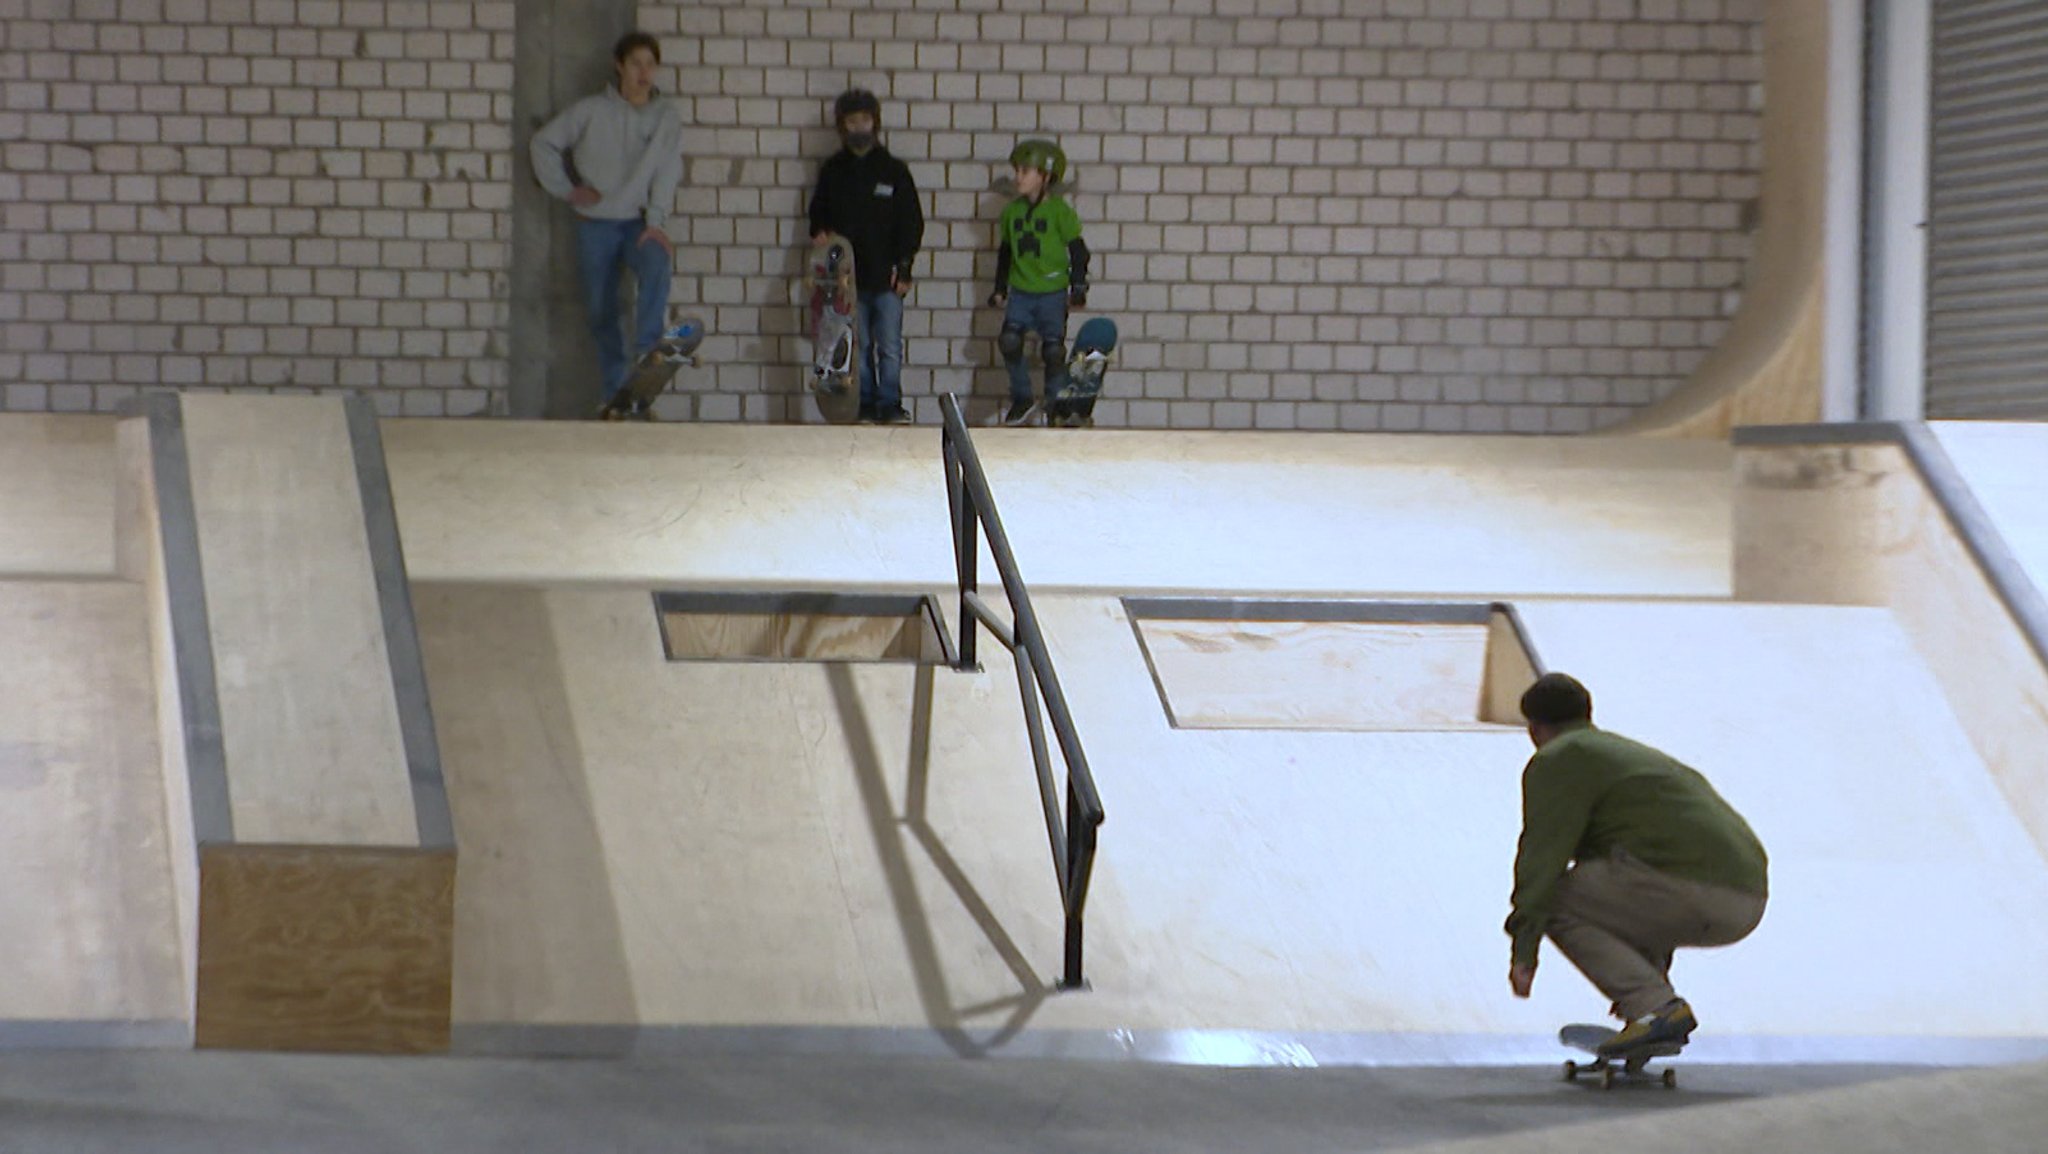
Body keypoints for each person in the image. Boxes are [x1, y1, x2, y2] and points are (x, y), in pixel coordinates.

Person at [1505, 672, 1769, 1056]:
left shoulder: (1560, 758)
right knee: (1603, 884)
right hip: (1745, 899)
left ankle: (1655, 1009)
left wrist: (1524, 951)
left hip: (1684, 888)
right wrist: (1650, 974)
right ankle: (1651, 1013)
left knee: (1555, 897)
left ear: (1534, 727)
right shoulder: (1625, 755)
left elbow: (1541, 857)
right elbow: (1651, 880)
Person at [529, 31, 685, 415]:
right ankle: (619, 394)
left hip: (638, 222)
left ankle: (649, 358)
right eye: (636, 63)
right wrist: (568, 190)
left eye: (650, 64)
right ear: (619, 66)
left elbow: (667, 170)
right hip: (595, 225)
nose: (643, 72)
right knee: (601, 311)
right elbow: (543, 144)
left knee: (657, 262)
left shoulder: (666, 116)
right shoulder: (591, 111)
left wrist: (658, 221)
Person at [806, 89, 924, 425]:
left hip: (886, 279)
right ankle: (866, 405)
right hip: (847, 283)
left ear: (876, 123)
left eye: (865, 120)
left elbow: (912, 223)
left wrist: (904, 268)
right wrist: (820, 234)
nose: (860, 127)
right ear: (842, 126)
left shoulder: (894, 171)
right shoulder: (833, 171)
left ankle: (890, 404)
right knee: (858, 347)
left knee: (889, 347)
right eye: (852, 121)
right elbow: (817, 216)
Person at [987, 139, 1090, 427]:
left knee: (1053, 351)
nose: (1018, 177)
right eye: (1018, 171)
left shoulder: (1060, 211)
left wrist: (1078, 287)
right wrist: (999, 288)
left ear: (1045, 177)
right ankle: (1022, 399)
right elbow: (1005, 254)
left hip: (1052, 292)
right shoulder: (1011, 212)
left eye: (1026, 172)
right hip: (1021, 290)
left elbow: (1078, 250)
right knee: (1009, 342)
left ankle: (1054, 402)